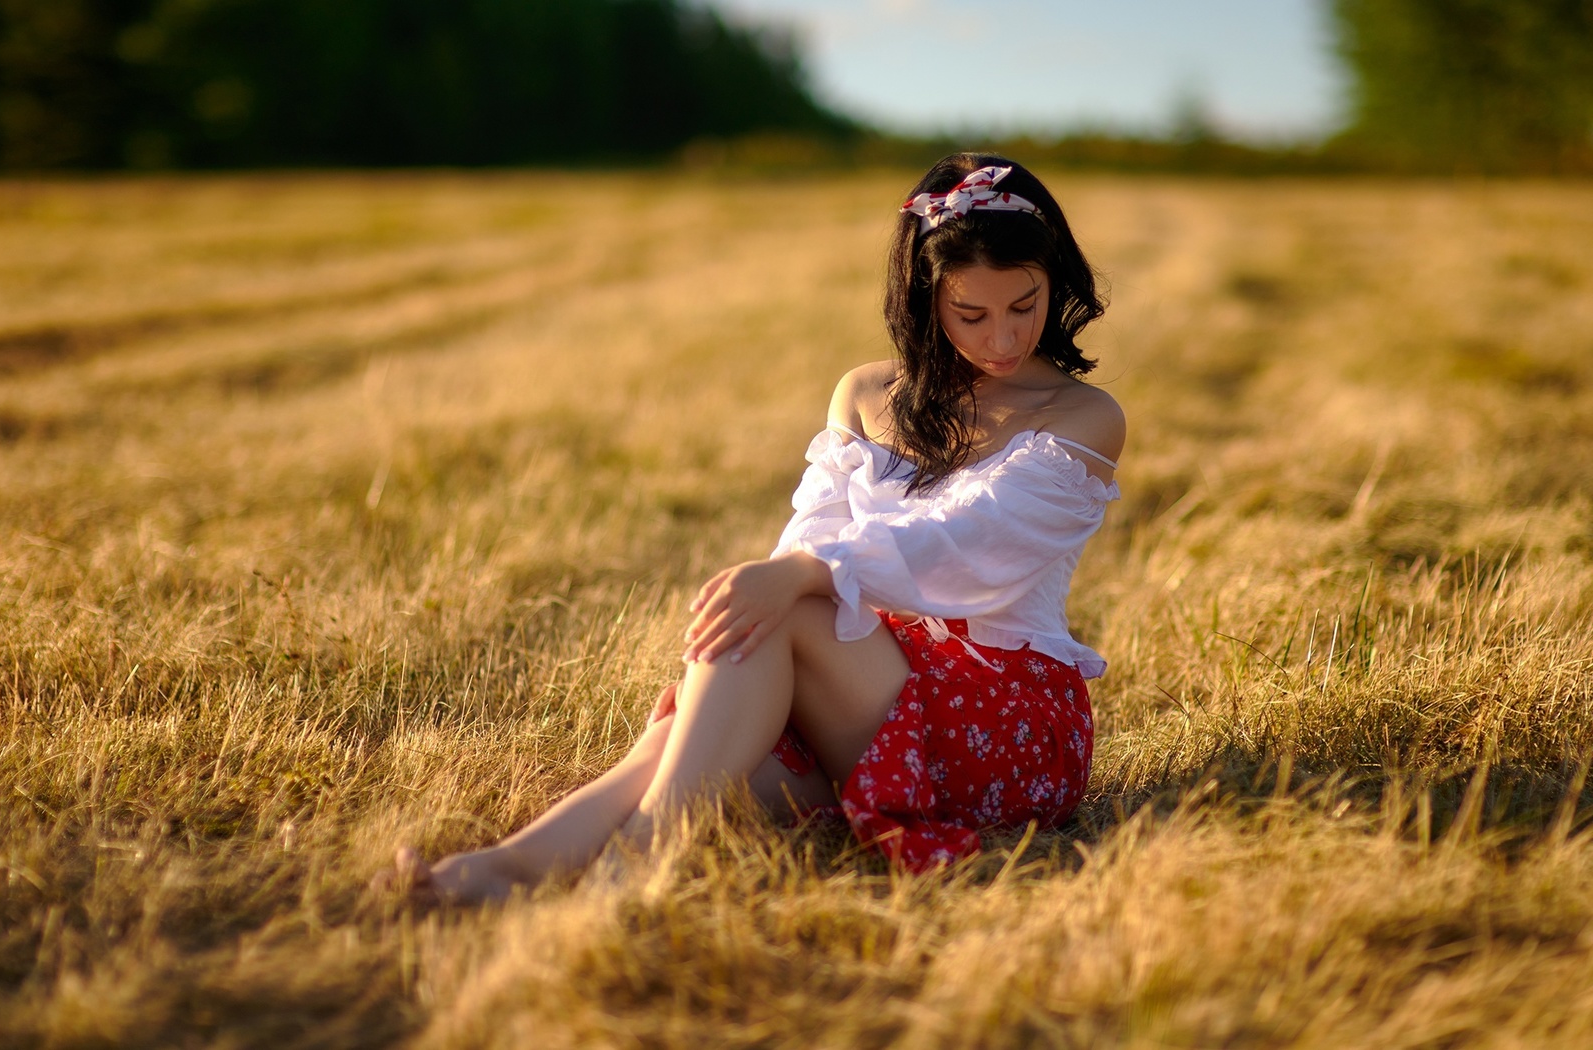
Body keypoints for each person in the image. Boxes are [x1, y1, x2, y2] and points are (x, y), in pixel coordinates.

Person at [379, 153, 1124, 903]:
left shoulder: (1084, 417)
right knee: (688, 754)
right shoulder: (867, 392)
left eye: (1023, 305)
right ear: (925, 299)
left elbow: (962, 548)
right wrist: (786, 588)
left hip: (1002, 724)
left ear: (1053, 280)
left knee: (788, 603)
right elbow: (809, 538)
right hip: (858, 691)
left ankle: (635, 864)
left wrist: (800, 576)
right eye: (971, 315)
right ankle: (504, 868)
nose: (1002, 338)